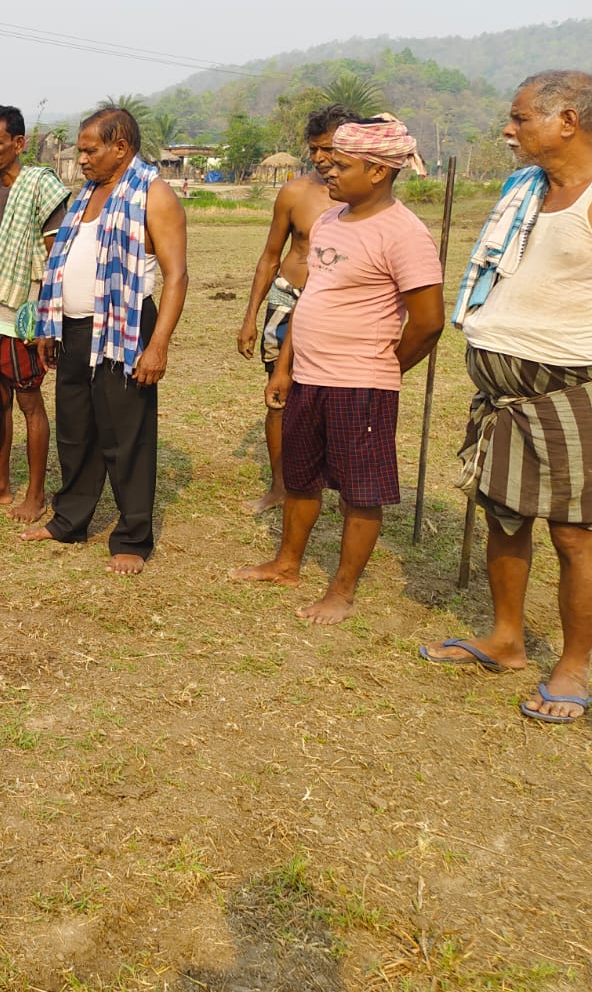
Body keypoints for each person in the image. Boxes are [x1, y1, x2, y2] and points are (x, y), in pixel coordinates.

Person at [425, 70, 592, 723]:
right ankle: (507, 638)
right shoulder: (525, 191)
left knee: (576, 535)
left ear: (568, 122)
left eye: (521, 118)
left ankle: (576, 664)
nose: (508, 129)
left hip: (570, 389)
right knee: (504, 513)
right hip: (503, 392)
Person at [233, 116, 444, 620]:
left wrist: (383, 367)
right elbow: (310, 300)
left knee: (359, 492)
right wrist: (285, 365)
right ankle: (287, 564)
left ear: (376, 171)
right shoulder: (329, 220)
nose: (328, 171)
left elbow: (429, 322)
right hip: (308, 376)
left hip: (361, 385)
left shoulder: (404, 233)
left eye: (342, 165)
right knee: (300, 478)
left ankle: (342, 591)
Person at [20, 107, 189, 574]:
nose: (82, 160)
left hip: (126, 327)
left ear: (121, 147)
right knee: (76, 432)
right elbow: (64, 261)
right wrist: (49, 326)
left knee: (126, 435)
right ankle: (70, 520)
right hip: (72, 328)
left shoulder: (155, 196)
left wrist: (158, 345)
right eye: (80, 151)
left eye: (90, 151)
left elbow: (177, 276)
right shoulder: (87, 196)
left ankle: (133, 535)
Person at [237, 104, 357, 512]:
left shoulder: (365, 199)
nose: (322, 159)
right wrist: (251, 316)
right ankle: (281, 485)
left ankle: (342, 488)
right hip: (288, 298)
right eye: (315, 150)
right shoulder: (295, 193)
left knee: (340, 399)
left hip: (338, 307)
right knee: (278, 392)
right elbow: (270, 256)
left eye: (330, 149)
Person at [0, 105, 69, 523]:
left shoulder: (41, 189)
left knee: (29, 403)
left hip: (25, 315)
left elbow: (54, 258)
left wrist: (47, 321)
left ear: (19, 144)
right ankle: (0, 486)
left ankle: (36, 494)